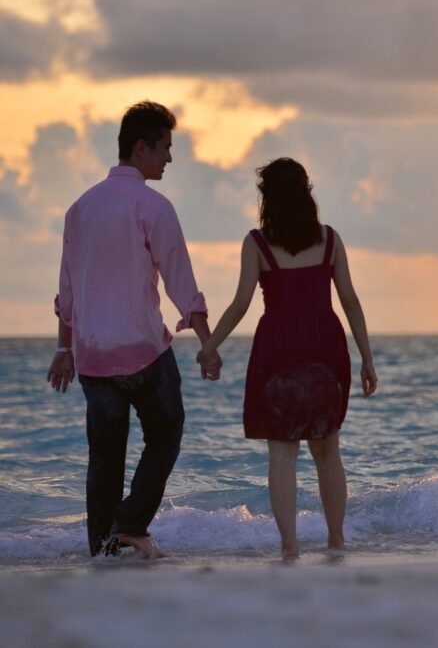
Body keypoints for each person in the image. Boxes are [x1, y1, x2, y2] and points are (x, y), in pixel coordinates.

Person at [47, 100, 222, 559]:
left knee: (104, 457)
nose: (169, 158)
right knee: (166, 433)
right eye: (165, 147)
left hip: (92, 356)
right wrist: (208, 344)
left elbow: (67, 289)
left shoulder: (79, 208)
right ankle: (131, 524)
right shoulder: (154, 205)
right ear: (141, 147)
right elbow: (181, 282)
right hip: (143, 351)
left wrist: (63, 348)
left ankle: (103, 549)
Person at [197, 157, 376, 559]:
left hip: (278, 347)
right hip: (324, 347)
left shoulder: (257, 243)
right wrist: (366, 357)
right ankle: (336, 541)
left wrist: (210, 347)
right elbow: (349, 300)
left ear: (268, 198)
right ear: (306, 193)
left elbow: (241, 304)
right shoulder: (329, 239)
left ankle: (290, 546)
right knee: (327, 449)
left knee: (282, 453)